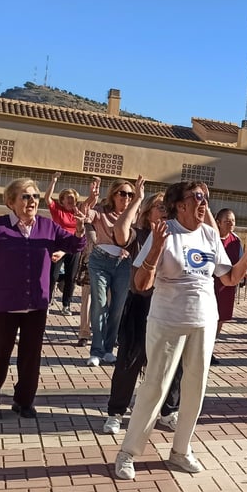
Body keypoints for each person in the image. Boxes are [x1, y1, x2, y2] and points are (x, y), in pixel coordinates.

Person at [114, 181, 247, 480]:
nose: (203, 202)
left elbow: (230, 278)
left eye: (206, 197)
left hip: (204, 321)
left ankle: (181, 450)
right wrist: (156, 249)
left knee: (195, 389)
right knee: (154, 386)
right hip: (168, 320)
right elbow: (141, 285)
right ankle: (128, 452)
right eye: (197, 197)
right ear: (180, 204)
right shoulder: (165, 232)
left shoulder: (210, 233)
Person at [0, 179, 86, 421]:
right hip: (3, 304)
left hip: (36, 303)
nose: (31, 201)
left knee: (31, 356)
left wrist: (80, 227)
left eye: (34, 197)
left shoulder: (47, 226)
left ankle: (24, 402)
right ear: (11, 201)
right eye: (25, 196)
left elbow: (74, 245)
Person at [102, 192, 182, 435]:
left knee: (174, 363)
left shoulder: (177, 236)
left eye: (168, 207)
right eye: (159, 207)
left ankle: (168, 412)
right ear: (148, 213)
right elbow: (121, 232)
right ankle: (116, 412)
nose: (165, 211)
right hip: (141, 306)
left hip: (170, 307)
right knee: (130, 360)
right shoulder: (140, 235)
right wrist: (137, 198)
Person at [85, 177, 139, 367]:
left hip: (122, 263)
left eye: (130, 195)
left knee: (117, 307)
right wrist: (91, 198)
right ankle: (96, 350)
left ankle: (108, 349)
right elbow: (85, 214)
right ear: (113, 195)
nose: (126, 197)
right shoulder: (101, 211)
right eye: (122, 193)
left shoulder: (133, 214)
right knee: (100, 304)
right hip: (100, 260)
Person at [43, 173, 97, 315]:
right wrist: (53, 181)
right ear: (62, 200)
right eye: (68, 198)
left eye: (73, 198)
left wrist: (93, 190)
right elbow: (47, 198)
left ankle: (66, 304)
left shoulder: (77, 210)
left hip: (73, 247)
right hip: (57, 246)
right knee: (52, 276)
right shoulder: (57, 210)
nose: (71, 200)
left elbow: (90, 201)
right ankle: (47, 302)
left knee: (71, 276)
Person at [213, 208, 243, 334]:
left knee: (222, 316)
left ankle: (212, 345)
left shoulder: (236, 240)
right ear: (218, 222)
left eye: (233, 221)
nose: (231, 224)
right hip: (212, 283)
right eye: (227, 221)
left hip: (227, 286)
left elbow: (240, 261)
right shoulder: (212, 238)